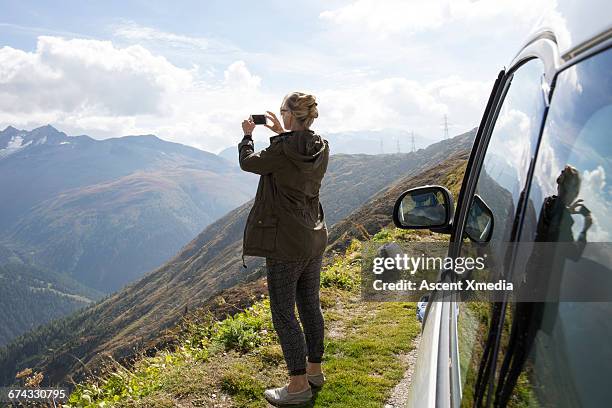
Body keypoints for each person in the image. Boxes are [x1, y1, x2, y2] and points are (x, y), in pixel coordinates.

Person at [238, 91, 330, 406]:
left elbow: (249, 163)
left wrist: (248, 136)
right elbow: (295, 156)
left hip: (286, 244)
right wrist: (282, 133)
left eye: (282, 111)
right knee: (309, 305)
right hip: (313, 237)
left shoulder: (281, 151)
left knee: (282, 312)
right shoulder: (321, 147)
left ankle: (297, 385)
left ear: (290, 115)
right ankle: (314, 371)